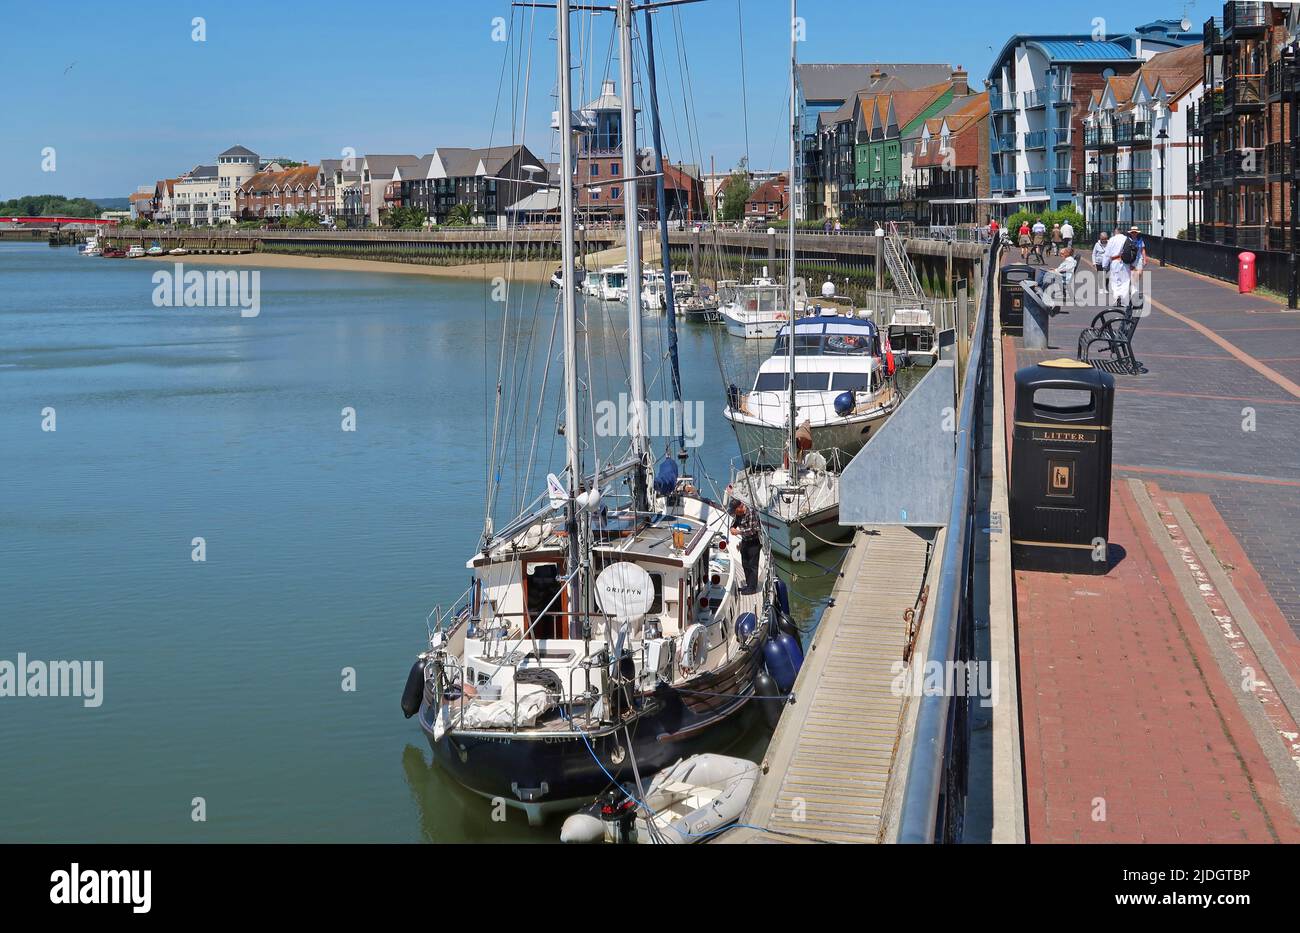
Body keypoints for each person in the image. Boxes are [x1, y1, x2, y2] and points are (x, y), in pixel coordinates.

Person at [727, 498, 762, 594]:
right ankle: (748, 584)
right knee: (745, 564)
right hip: (745, 541)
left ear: (740, 507)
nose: (735, 513)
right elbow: (734, 522)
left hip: (753, 542)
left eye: (735, 511)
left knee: (752, 565)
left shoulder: (751, 513)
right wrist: (732, 527)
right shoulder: (738, 515)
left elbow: (753, 530)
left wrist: (738, 532)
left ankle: (752, 588)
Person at [1102, 226, 1133, 307]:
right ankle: (1124, 301)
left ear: (1115, 232)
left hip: (1115, 262)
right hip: (1126, 263)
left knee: (1115, 281)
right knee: (1125, 281)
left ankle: (1116, 299)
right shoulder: (1128, 239)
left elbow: (1107, 253)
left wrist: (1104, 265)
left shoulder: (1112, 239)